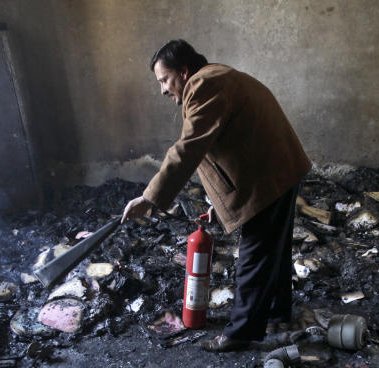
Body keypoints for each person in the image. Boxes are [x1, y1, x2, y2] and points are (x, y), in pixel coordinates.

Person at [122, 40, 311, 352]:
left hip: (269, 177)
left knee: (256, 252)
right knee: (273, 249)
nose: (163, 90)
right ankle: (276, 313)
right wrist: (218, 204)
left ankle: (241, 333)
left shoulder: (204, 85)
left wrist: (149, 198)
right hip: (278, 170)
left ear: (183, 72)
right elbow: (229, 146)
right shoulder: (217, 78)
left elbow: (188, 148)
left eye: (164, 80)